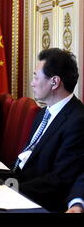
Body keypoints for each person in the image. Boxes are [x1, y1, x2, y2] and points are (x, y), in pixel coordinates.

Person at [13, 48, 84, 212]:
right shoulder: (43, 113)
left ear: (55, 82)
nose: (32, 83)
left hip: (40, 201)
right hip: (19, 185)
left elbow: (59, 179)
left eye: (35, 77)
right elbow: (27, 157)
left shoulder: (77, 121)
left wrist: (11, 188)